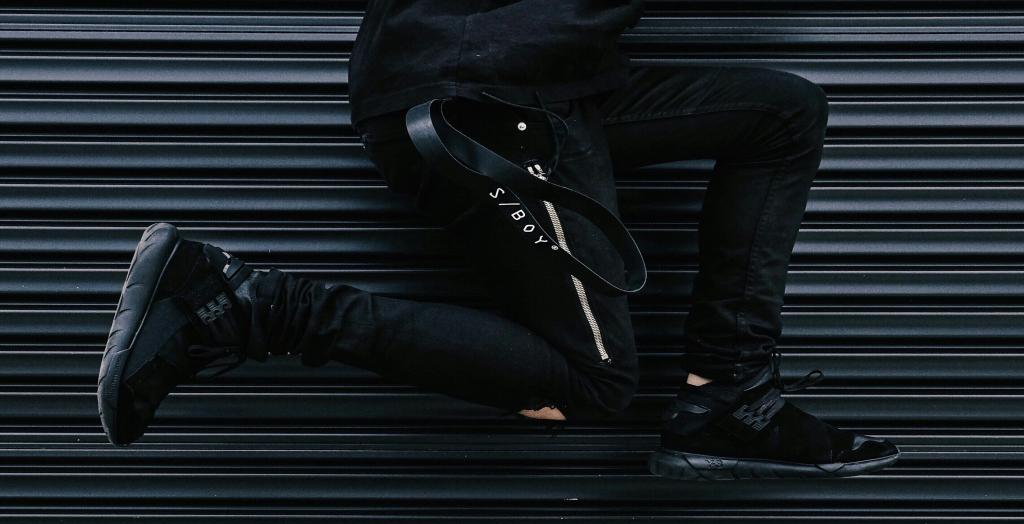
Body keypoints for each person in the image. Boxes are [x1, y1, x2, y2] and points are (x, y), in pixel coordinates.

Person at [96, 0, 899, 480]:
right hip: (489, 91)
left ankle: (729, 392)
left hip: (526, 74)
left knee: (780, 114)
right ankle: (245, 303)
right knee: (594, 381)